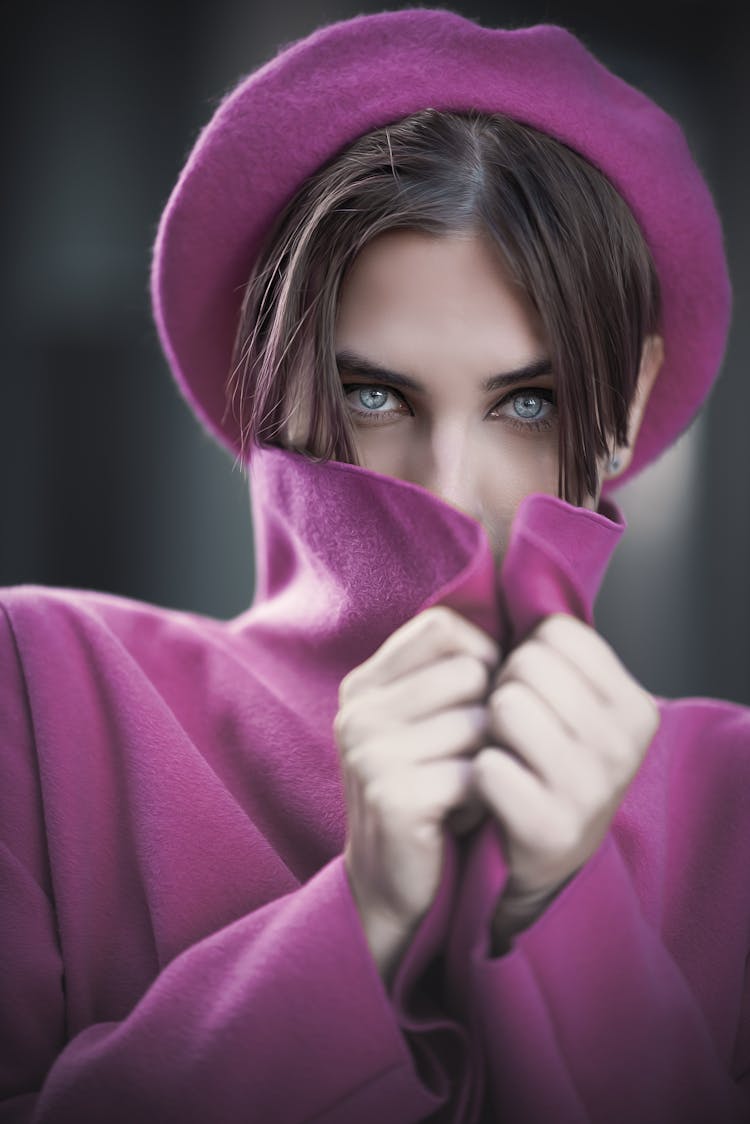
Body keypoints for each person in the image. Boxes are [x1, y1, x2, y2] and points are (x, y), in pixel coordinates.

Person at [1, 8, 748, 1123]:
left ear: (626, 402)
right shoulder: (40, 687)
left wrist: (566, 913)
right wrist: (358, 921)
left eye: (527, 401)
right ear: (269, 376)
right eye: (376, 394)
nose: (449, 490)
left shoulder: (737, 796)